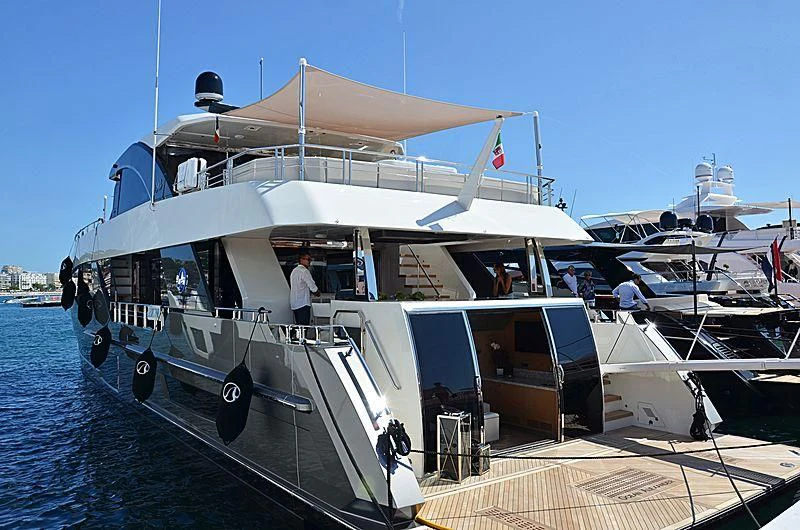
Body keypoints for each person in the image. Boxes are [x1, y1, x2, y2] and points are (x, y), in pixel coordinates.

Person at [290, 252, 320, 325]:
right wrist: (318, 293)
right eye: (308, 259)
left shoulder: (294, 271)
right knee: (304, 327)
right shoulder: (304, 271)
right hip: (303, 303)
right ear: (301, 260)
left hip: (295, 303)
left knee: (298, 326)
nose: (310, 261)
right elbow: (312, 287)